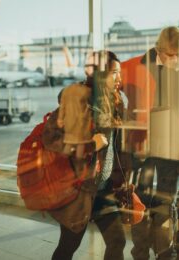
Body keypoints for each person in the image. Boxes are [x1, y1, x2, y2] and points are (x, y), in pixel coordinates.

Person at [43, 50, 129, 260]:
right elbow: (50, 139)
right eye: (114, 72)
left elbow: (116, 147)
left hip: (104, 188)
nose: (119, 77)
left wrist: (122, 179)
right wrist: (91, 144)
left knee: (117, 241)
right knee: (68, 246)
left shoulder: (115, 101)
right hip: (79, 189)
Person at [121, 26, 179, 260]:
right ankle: (141, 253)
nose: (175, 60)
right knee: (140, 201)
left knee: (166, 200)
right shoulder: (133, 66)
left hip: (169, 148)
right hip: (141, 148)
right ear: (158, 49)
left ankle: (163, 252)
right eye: (170, 55)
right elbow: (108, 84)